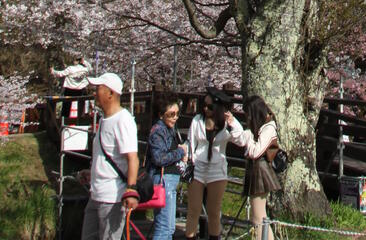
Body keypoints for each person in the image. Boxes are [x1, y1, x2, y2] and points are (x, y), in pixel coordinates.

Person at [78, 71, 139, 240]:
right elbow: (107, 157)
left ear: (111, 93)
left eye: (98, 88)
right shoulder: (104, 120)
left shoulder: (123, 120)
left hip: (113, 197)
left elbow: (132, 158)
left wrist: (131, 190)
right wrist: (92, 173)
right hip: (96, 194)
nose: (95, 93)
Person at [185, 86, 244, 240]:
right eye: (204, 105)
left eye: (210, 106)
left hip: (217, 170)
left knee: (213, 211)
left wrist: (231, 122)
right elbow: (191, 142)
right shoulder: (198, 120)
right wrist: (189, 162)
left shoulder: (226, 123)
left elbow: (241, 139)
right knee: (194, 209)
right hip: (198, 168)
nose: (205, 109)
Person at [233, 96, 281, 240]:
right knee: (258, 217)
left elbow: (256, 152)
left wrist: (248, 136)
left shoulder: (269, 127)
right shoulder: (263, 126)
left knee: (258, 218)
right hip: (256, 171)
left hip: (261, 172)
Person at [145, 92, 188, 240]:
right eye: (171, 114)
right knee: (164, 228)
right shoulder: (158, 130)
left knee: (169, 228)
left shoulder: (169, 129)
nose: (175, 117)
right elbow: (159, 158)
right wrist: (180, 152)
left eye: (177, 113)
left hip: (169, 181)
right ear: (161, 114)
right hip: (163, 181)